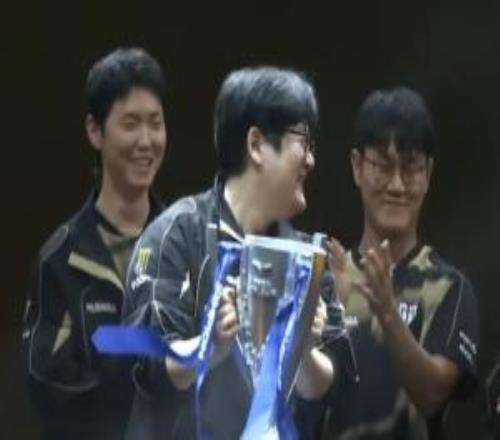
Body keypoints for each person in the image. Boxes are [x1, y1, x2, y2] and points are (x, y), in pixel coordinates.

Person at [122, 66, 342, 439]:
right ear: (256, 144)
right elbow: (147, 365)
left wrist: (303, 349)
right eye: (302, 142)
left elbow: (330, 387)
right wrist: (206, 347)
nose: (310, 160)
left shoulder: (309, 257)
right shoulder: (175, 236)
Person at [22, 47, 167, 440]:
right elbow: (48, 385)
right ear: (95, 131)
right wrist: (142, 366)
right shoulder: (61, 259)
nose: (146, 141)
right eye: (131, 124)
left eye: (155, 123)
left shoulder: (184, 245)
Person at [323, 87, 479, 439]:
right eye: (382, 166)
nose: (396, 185)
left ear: (428, 173)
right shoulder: (327, 279)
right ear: (357, 167)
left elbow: (433, 395)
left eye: (410, 167)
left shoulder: (449, 288)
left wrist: (387, 314)